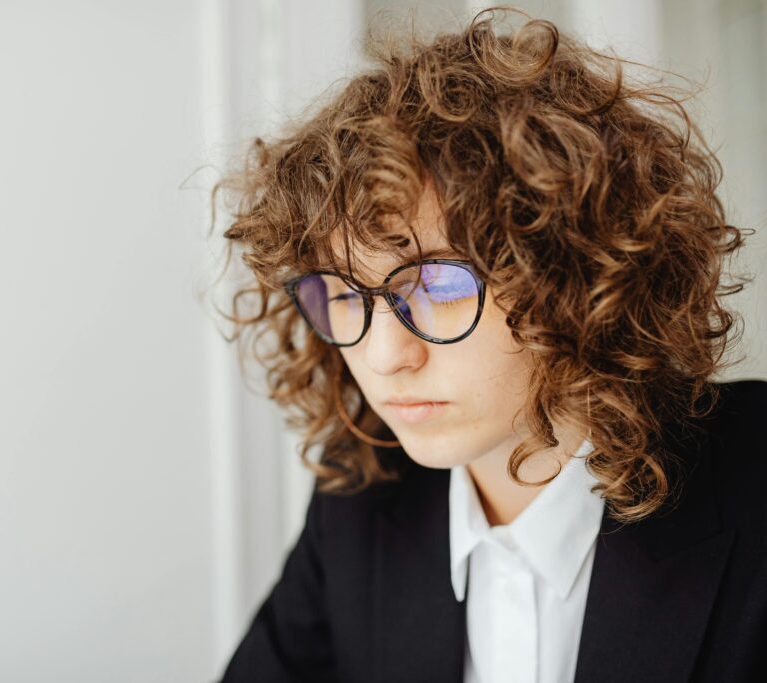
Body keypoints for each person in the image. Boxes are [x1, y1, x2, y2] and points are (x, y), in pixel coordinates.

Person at [209, 6, 766, 682]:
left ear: (575, 273)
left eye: (438, 285)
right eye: (346, 295)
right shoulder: (362, 494)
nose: (385, 357)